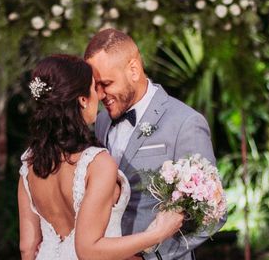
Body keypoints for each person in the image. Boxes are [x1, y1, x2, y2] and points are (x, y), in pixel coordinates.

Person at [18, 54, 183, 260]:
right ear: (83, 100)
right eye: (95, 87)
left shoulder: (30, 163)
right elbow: (88, 250)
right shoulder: (96, 163)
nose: (101, 95)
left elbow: (27, 246)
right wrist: (157, 233)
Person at [85, 29, 225, 260]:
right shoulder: (101, 122)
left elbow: (214, 213)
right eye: (95, 86)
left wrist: (153, 255)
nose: (99, 95)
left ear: (133, 69)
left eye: (106, 84)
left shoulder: (185, 123)